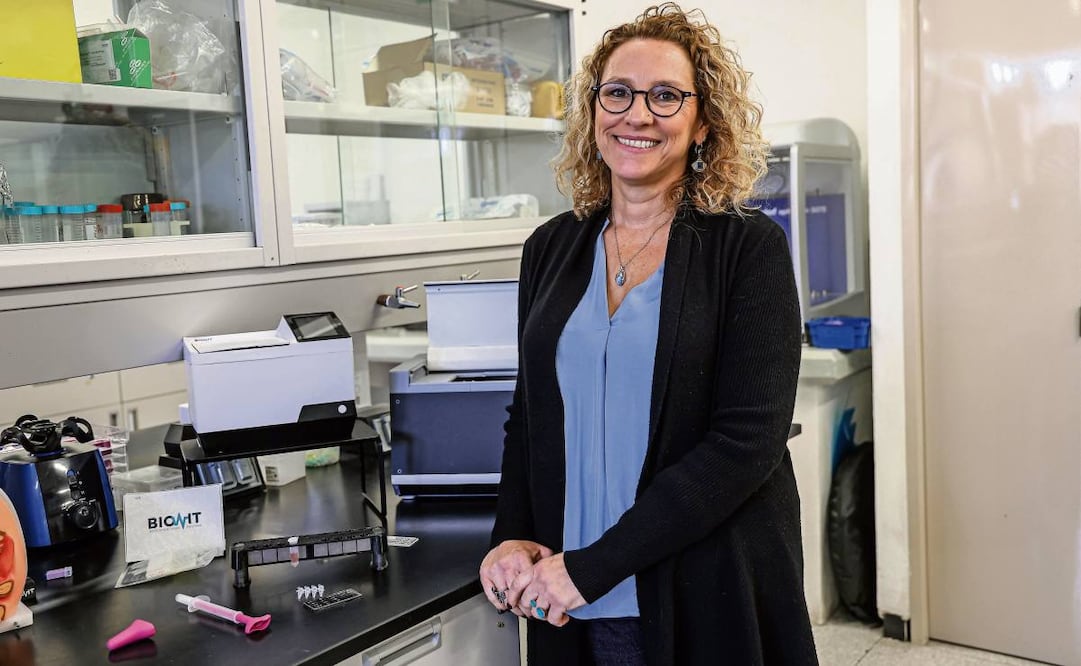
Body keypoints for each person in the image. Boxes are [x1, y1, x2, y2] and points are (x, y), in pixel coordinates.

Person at [479, 3, 818, 664]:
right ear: (592, 111)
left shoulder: (747, 248)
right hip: (566, 592)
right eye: (617, 93)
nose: (637, 114)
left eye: (665, 96)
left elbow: (745, 443)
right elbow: (530, 417)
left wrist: (595, 565)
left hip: (699, 585)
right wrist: (512, 535)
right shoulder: (550, 248)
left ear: (701, 123)